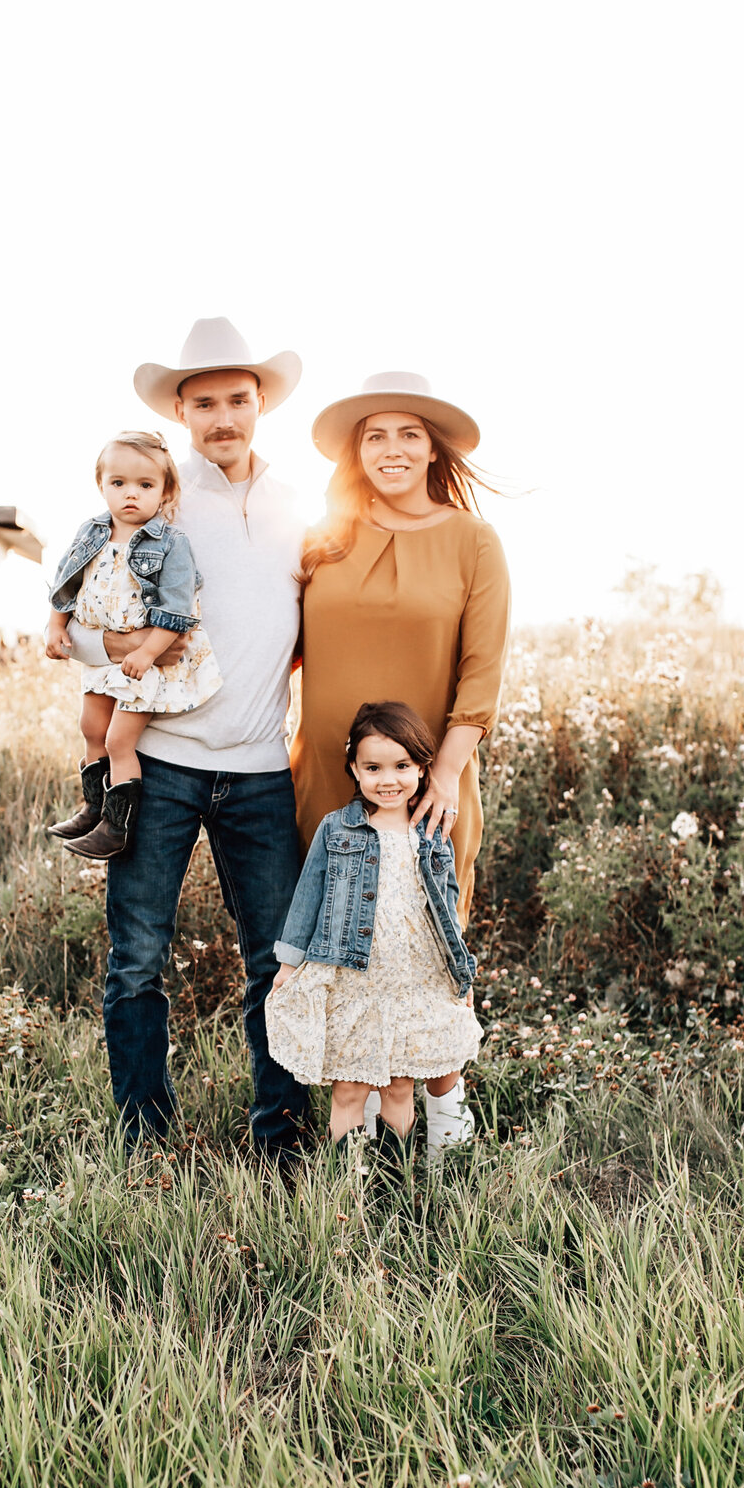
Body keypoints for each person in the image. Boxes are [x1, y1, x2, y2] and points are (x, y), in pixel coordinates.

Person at [65, 318, 311, 1162]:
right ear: (181, 410)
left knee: (277, 962)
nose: (222, 417)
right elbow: (89, 617)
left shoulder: (300, 510)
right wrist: (109, 653)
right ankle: (144, 1141)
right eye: (203, 402)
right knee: (136, 959)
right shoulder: (158, 502)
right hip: (161, 762)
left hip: (261, 772)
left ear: (259, 406)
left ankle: (280, 1139)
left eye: (237, 400)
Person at [290, 373, 511, 1156]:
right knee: (342, 946)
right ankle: (349, 1129)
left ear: (432, 448)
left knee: (426, 946)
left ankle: (444, 1122)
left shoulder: (472, 541)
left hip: (430, 783)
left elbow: (481, 673)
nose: (392, 449)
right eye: (375, 435)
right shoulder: (323, 536)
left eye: (409, 434)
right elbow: (270, 644)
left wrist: (446, 773)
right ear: (357, 450)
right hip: (325, 778)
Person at [267, 701, 481, 1170]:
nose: (389, 779)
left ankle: (396, 1179)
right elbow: (308, 898)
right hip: (355, 976)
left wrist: (462, 978)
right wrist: (287, 967)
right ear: (354, 769)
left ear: (424, 769)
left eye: (403, 766)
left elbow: (447, 908)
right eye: (374, 767)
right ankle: (350, 1185)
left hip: (414, 974)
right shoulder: (337, 829)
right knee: (349, 1085)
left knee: (400, 1083)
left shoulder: (430, 832)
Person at [44, 431, 221, 860]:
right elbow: (66, 585)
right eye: (118, 483)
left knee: (119, 741)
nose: (130, 494)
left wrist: (146, 652)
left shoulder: (170, 544)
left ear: (165, 490)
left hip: (146, 666)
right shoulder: (91, 533)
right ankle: (92, 806)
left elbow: (177, 614)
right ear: (102, 485)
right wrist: (55, 626)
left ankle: (116, 826)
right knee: (91, 730)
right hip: (102, 663)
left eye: (145, 485)